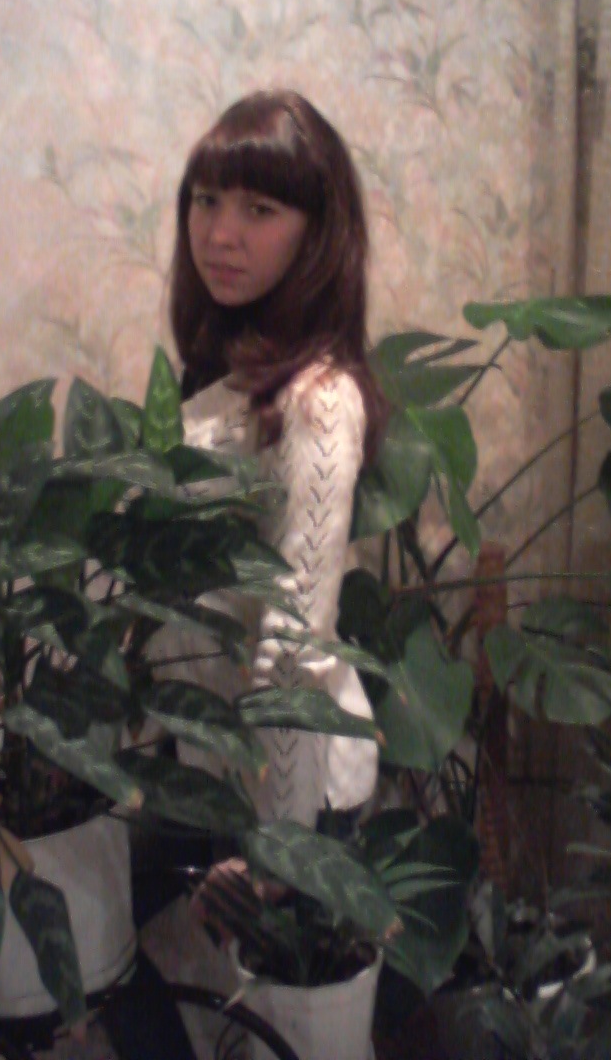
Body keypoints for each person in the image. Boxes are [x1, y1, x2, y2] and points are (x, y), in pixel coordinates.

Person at [168, 87, 387, 827]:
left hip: (287, 795)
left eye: (259, 210)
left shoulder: (318, 399)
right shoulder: (227, 371)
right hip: (221, 774)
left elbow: (296, 649)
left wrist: (277, 857)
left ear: (316, 235)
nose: (219, 234)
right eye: (206, 201)